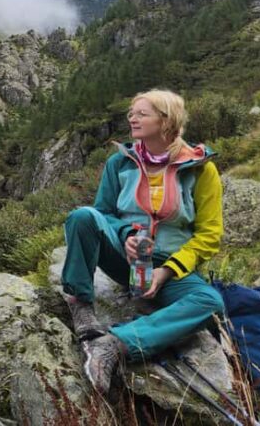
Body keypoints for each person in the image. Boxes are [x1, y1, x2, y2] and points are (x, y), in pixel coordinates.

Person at [60, 89, 225, 395]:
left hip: (171, 270)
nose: (131, 118)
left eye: (141, 113)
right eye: (131, 113)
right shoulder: (119, 163)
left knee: (210, 301)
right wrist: (124, 237)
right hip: (125, 260)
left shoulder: (202, 169)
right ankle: (81, 306)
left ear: (166, 120)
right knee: (82, 217)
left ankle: (115, 345)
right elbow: (103, 213)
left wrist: (168, 271)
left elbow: (209, 235)